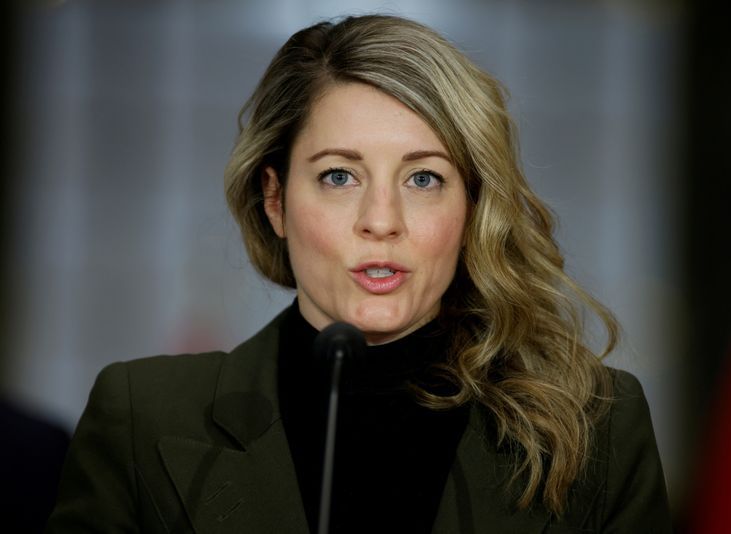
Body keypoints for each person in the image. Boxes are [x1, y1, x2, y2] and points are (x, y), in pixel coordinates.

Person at [46, 14, 671, 533]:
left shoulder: (596, 426)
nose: (381, 220)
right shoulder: (142, 417)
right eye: (339, 176)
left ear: (472, 208)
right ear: (275, 200)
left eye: (423, 178)